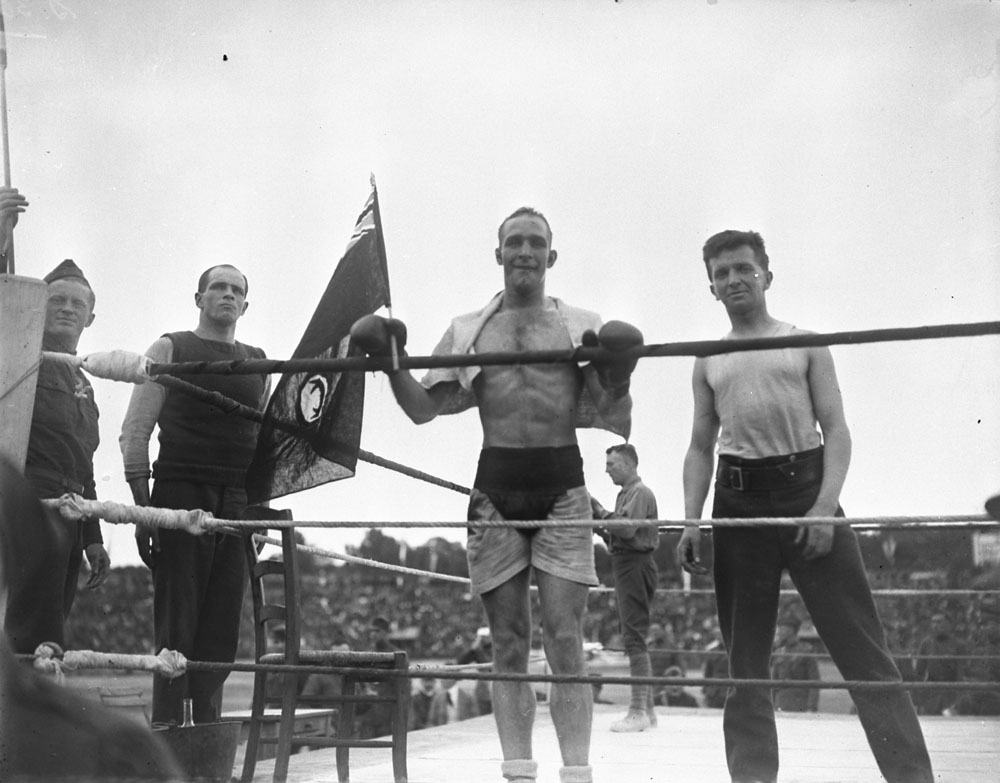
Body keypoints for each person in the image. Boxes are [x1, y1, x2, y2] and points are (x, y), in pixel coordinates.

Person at [351, 206, 635, 783]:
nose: (525, 251)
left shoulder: (579, 324)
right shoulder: (469, 329)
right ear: (499, 254)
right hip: (495, 491)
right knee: (508, 644)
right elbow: (423, 409)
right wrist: (389, 363)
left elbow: (615, 418)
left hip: (562, 488)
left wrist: (620, 374)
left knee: (565, 640)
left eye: (536, 242)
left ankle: (577, 774)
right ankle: (517, 775)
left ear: (550, 257)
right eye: (515, 242)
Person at [677, 230, 933, 783]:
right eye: (721, 274)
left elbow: (837, 430)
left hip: (807, 492)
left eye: (744, 269)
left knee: (864, 654)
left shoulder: (805, 342)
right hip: (737, 502)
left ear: (767, 274)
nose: (734, 280)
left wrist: (822, 509)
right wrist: (693, 520)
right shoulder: (707, 360)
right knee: (745, 665)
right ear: (712, 287)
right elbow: (700, 447)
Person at [120, 264, 268, 726]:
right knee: (176, 630)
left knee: (222, 632)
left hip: (237, 501)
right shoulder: (170, 347)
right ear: (199, 297)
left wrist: (257, 512)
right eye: (217, 287)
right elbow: (135, 432)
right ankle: (168, 737)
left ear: (245, 304)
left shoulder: (259, 360)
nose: (227, 294)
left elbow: (265, 446)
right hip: (180, 493)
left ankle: (205, 735)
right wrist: (146, 512)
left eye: (236, 290)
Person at [0, 456, 182, 781]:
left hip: (59, 513)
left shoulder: (117, 755)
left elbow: (83, 465)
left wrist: (92, 537)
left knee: (44, 645)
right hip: (38, 502)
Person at [1, 186, 111, 653]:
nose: (66, 308)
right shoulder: (13, 354)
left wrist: (93, 537)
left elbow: (83, 465)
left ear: (89, 317)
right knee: (28, 626)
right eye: (55, 300)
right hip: (23, 501)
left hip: (70, 511)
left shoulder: (85, 383)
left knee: (51, 625)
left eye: (76, 305)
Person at [590, 443, 660, 732]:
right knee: (633, 635)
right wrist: (601, 525)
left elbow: (628, 529)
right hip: (626, 562)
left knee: (634, 638)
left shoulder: (639, 493)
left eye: (612, 464)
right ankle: (649, 711)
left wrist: (600, 512)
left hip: (635, 564)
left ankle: (638, 711)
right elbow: (620, 535)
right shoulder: (626, 494)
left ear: (629, 465)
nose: (607, 470)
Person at [913, 612, 962, 715]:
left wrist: (958, 698)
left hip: (951, 692)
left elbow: (961, 672)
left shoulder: (958, 644)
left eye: (939, 622)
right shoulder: (926, 643)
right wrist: (919, 700)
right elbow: (919, 672)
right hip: (931, 692)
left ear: (948, 624)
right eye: (933, 622)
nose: (935, 625)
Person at [770, 615, 819, 712]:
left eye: (782, 628)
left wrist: (811, 707)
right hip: (780, 703)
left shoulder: (806, 651)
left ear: (791, 630)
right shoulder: (779, 652)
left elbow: (814, 682)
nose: (779, 632)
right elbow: (773, 683)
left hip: (800, 703)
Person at [456, 625, 494, 716]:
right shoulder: (477, 650)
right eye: (483, 637)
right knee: (483, 714)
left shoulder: (498, 648)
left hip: (497, 683)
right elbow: (461, 662)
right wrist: (473, 648)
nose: (485, 638)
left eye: (486, 636)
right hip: (483, 687)